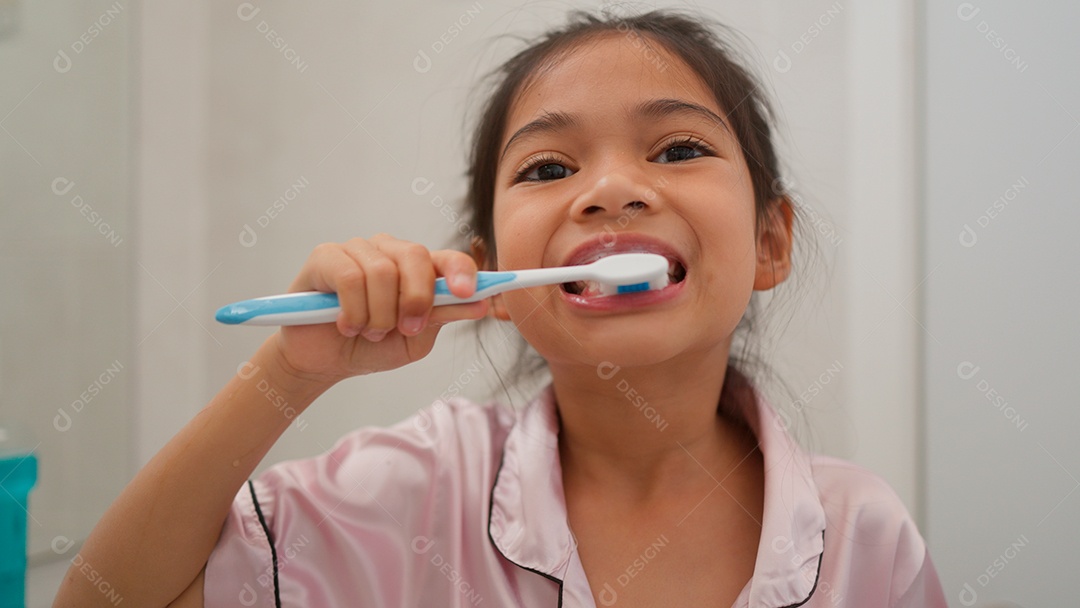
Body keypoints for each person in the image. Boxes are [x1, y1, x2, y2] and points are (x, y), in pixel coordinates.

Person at [55, 9, 948, 608]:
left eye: (677, 147)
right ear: (486, 284)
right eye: (549, 169)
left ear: (769, 243)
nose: (609, 189)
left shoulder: (865, 538)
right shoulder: (406, 493)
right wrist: (289, 373)